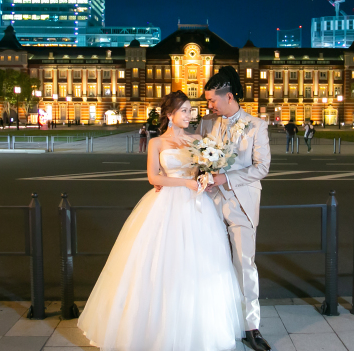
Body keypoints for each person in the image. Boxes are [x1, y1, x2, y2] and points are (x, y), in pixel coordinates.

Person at [78, 91, 244, 351]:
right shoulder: (156, 143)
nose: (190, 115)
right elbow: (154, 178)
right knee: (159, 264)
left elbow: (205, 169)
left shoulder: (199, 139)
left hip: (197, 206)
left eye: (191, 110)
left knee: (197, 264)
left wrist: (206, 178)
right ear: (170, 115)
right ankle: (156, 329)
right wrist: (186, 182)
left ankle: (197, 328)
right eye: (185, 111)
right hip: (166, 203)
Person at [199, 66, 272, 351]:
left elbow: (261, 168)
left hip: (242, 203)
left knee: (244, 265)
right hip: (210, 205)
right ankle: (219, 320)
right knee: (213, 264)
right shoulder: (206, 124)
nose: (208, 106)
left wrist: (225, 178)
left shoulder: (257, 126)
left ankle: (251, 326)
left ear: (229, 96)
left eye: (212, 101)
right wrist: (201, 176)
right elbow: (198, 159)